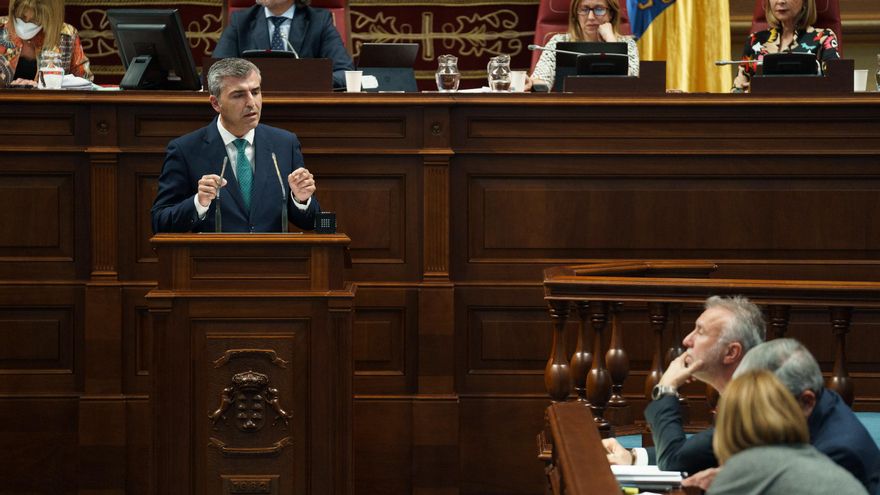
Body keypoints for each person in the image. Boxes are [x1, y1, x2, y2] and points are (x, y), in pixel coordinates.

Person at [151, 58, 320, 234]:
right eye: (239, 95)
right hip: (214, 259)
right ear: (216, 103)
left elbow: (312, 221)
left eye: (255, 92)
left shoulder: (285, 144)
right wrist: (198, 203)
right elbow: (160, 222)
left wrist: (301, 200)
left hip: (272, 258)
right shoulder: (185, 150)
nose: (251, 103)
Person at [602, 295, 766, 474]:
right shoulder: (748, 394)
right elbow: (695, 454)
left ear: (731, 352)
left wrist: (666, 388)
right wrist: (633, 457)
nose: (687, 340)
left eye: (700, 332)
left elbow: (675, 462)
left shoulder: (755, 407)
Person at [708, 338, 880, 493]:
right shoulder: (823, 399)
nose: (751, 418)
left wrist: (738, 481)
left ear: (806, 401)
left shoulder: (839, 453)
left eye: (761, 406)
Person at [213, 0, 354, 89]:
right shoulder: (241, 21)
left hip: (304, 110)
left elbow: (345, 73)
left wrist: (303, 80)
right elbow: (214, 72)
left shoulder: (319, 21)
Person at [527, 0, 639, 92]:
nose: (590, 17)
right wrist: (532, 83)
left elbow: (631, 84)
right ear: (576, 14)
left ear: (611, 14)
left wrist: (611, 41)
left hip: (614, 111)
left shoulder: (628, 44)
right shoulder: (559, 42)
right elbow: (542, 79)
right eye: (584, 10)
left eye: (599, 9)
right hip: (570, 111)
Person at [732, 0, 839, 92]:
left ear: (805, 2)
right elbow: (737, 91)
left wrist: (763, 87)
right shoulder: (754, 41)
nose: (780, 1)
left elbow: (836, 86)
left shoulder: (823, 38)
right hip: (761, 112)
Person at [0, 0, 92, 88]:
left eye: (35, 20)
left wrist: (46, 86)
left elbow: (86, 82)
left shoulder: (67, 35)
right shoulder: (1, 28)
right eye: (21, 17)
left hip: (50, 103)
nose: (26, 23)